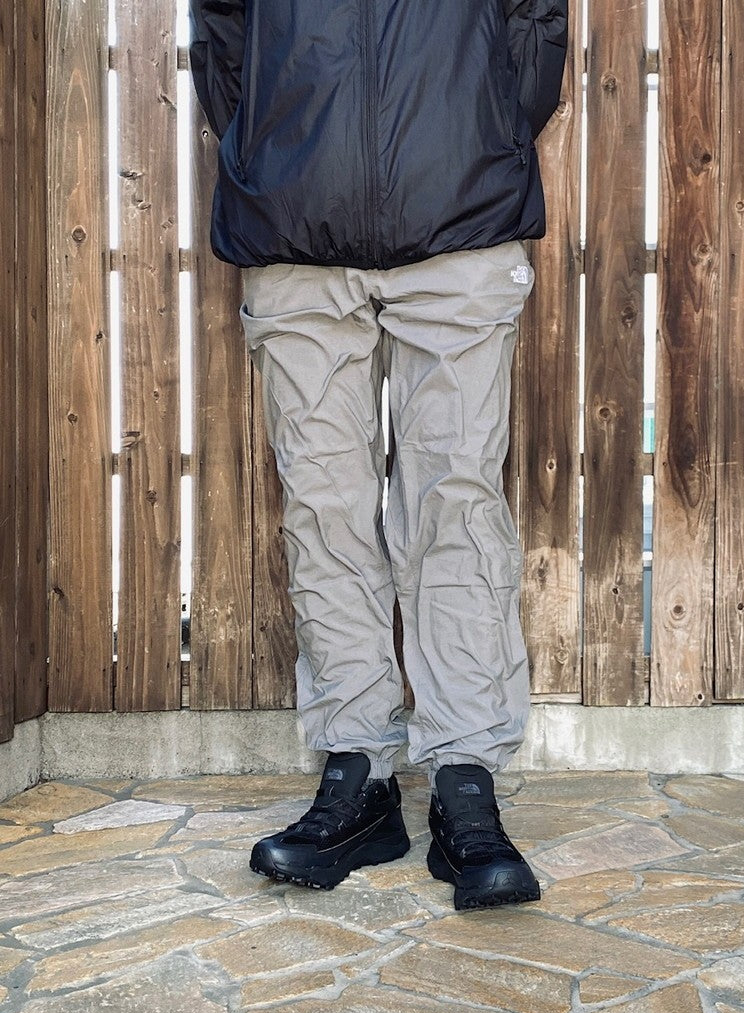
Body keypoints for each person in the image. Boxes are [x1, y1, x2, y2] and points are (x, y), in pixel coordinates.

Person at [188, 0, 568, 911]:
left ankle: (465, 776)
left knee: (456, 507)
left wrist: (484, 128)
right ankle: (356, 772)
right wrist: (264, 144)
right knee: (324, 511)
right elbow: (224, 31)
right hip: (295, 213)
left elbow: (534, 24)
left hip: (461, 211)